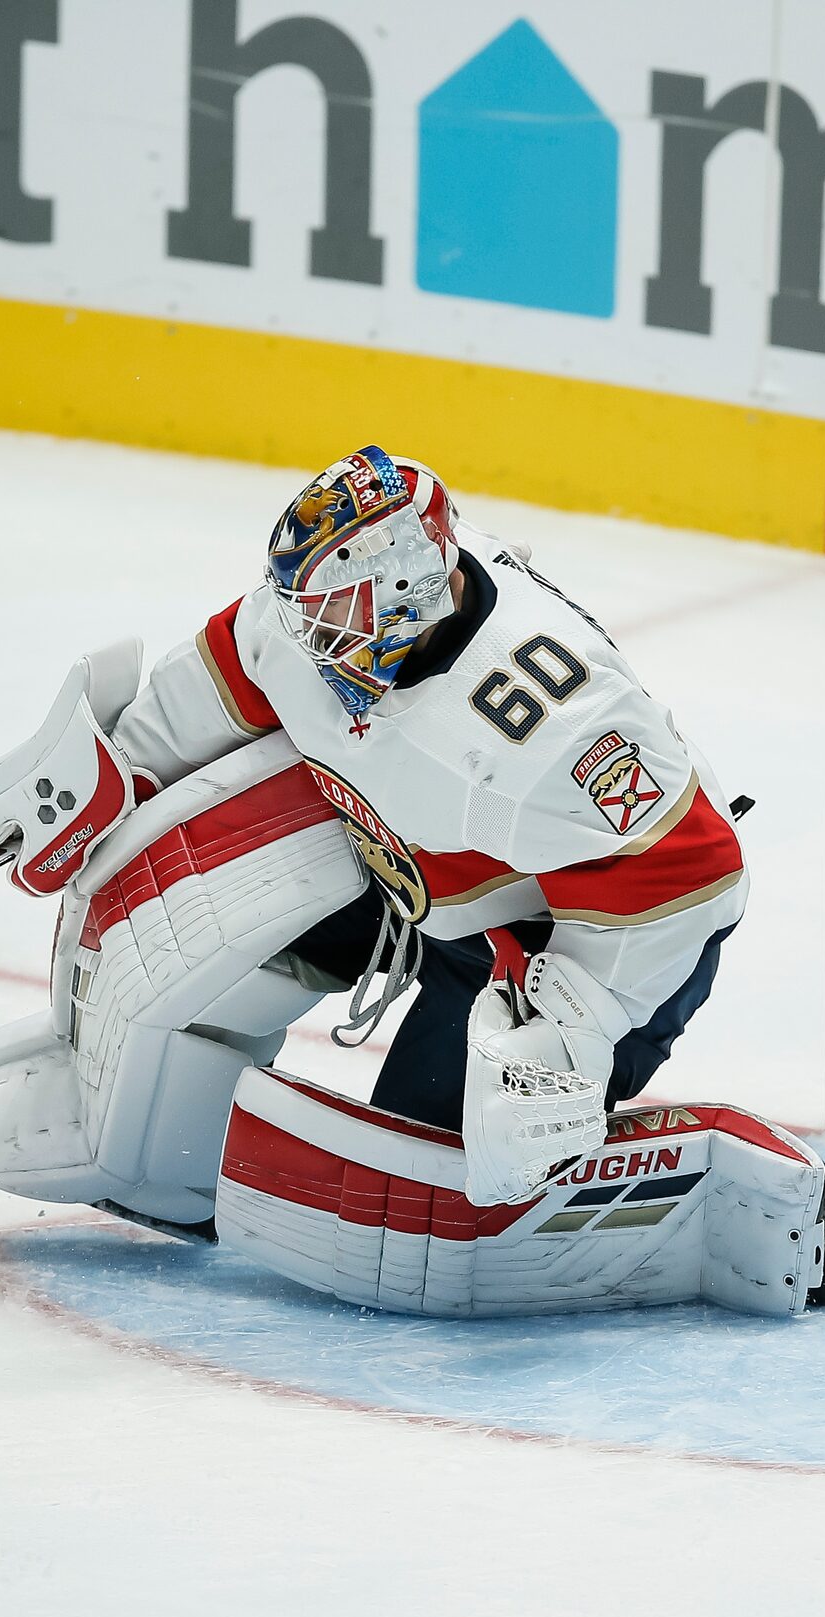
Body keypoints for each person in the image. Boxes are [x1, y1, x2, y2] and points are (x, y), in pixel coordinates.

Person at [115, 445, 748, 1145]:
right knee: (205, 950)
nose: (306, 634)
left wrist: (573, 1027)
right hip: (415, 870)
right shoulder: (346, 615)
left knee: (444, 1159)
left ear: (405, 596)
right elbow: (236, 664)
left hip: (556, 945)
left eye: (334, 613)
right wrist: (122, 770)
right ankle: (175, 1135)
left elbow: (687, 872)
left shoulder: (552, 732)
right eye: (307, 607)